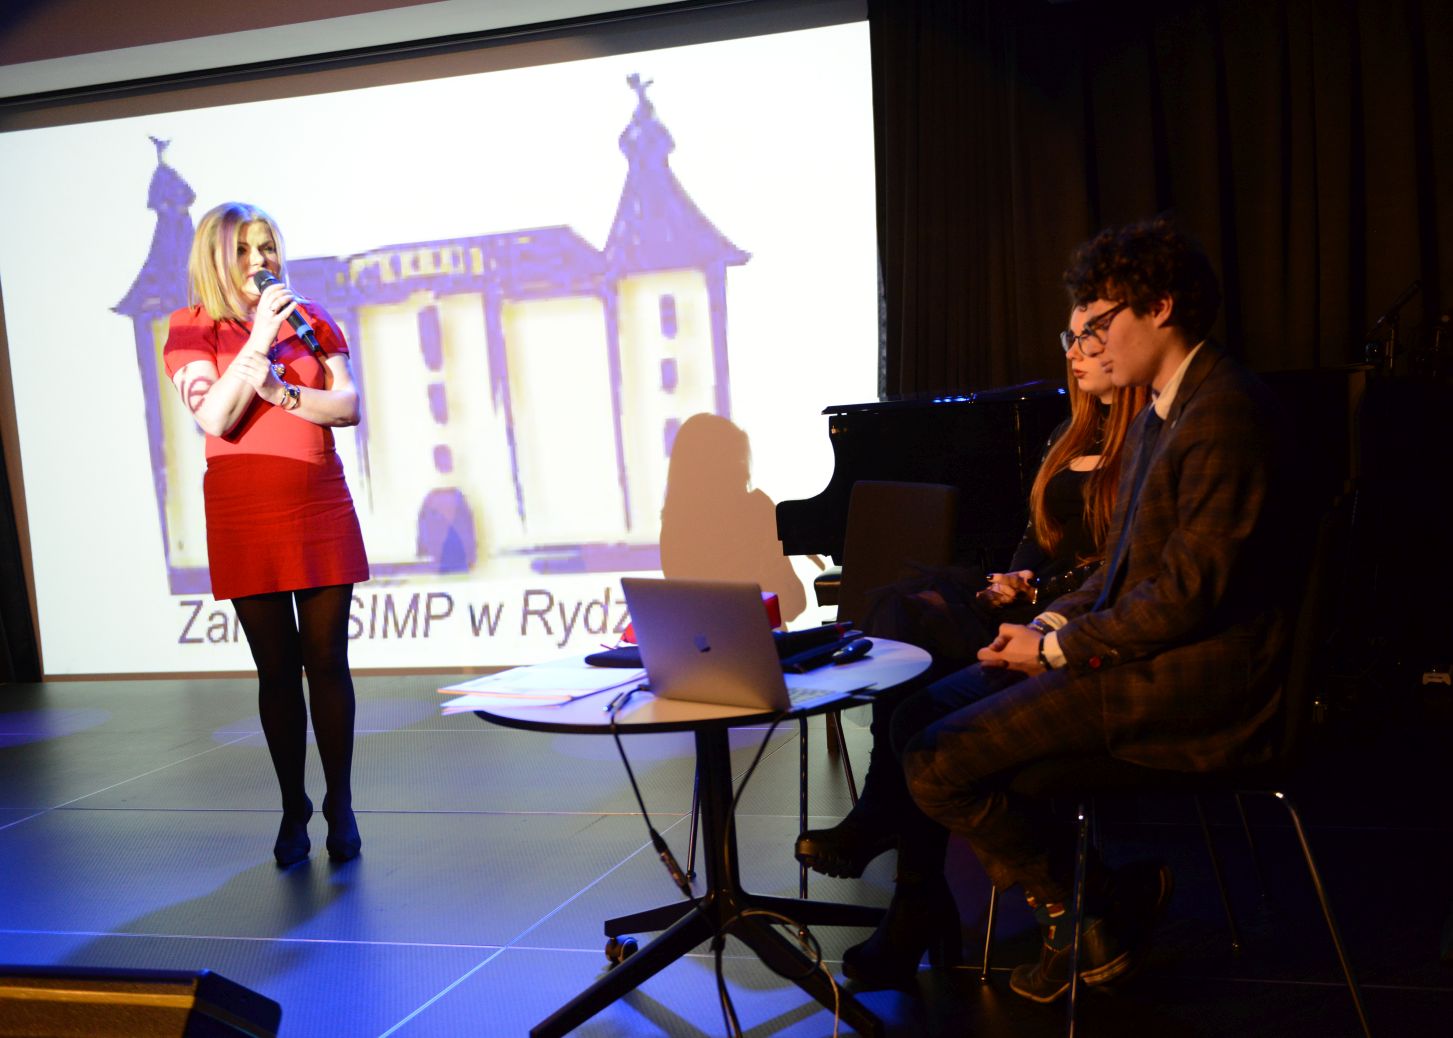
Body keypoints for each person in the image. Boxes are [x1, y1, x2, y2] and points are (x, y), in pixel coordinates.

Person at [843, 217, 1296, 1002]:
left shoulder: (1222, 411)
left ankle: (1080, 911)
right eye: (1078, 329)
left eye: (1097, 324)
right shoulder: (1164, 411)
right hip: (1142, 654)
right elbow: (1120, 570)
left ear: (1158, 307)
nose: (1084, 344)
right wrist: (1045, 625)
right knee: (917, 715)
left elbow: (1185, 598)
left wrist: (1056, 651)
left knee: (937, 760)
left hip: (1190, 681)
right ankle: (1096, 908)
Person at [795, 341, 1150, 879]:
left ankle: (895, 843)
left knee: (924, 695)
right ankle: (888, 825)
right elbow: (1035, 533)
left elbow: (1121, 565)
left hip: (1080, 615)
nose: (1074, 353)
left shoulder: (1148, 439)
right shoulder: (1068, 434)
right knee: (911, 614)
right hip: (1034, 599)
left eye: (1090, 337)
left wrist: (1038, 592)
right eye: (1069, 339)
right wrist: (1012, 577)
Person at [163, 202, 369, 867]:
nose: (260, 261)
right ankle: (292, 805)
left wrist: (284, 393)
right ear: (215, 258)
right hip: (244, 510)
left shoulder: (311, 320)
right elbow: (216, 418)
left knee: (327, 660)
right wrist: (257, 342)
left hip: (317, 502)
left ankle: (340, 801)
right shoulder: (190, 327)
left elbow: (348, 406)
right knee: (276, 669)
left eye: (268, 247)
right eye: (244, 250)